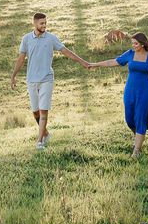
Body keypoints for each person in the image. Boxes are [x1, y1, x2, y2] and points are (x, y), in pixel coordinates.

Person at [10, 12, 89, 149]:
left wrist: (81, 61)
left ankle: (40, 141)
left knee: (43, 110)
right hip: (31, 80)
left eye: (45, 23)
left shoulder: (51, 38)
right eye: (42, 23)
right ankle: (45, 133)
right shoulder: (26, 39)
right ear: (34, 23)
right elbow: (21, 59)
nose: (44, 25)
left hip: (47, 79)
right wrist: (13, 76)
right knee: (35, 111)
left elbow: (67, 52)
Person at [88, 31, 148, 157]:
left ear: (142, 43)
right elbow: (113, 62)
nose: (133, 46)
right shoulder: (130, 54)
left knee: (141, 117)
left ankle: (137, 150)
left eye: (136, 43)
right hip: (130, 90)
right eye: (132, 43)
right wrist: (96, 65)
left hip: (145, 92)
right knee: (129, 118)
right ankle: (138, 137)